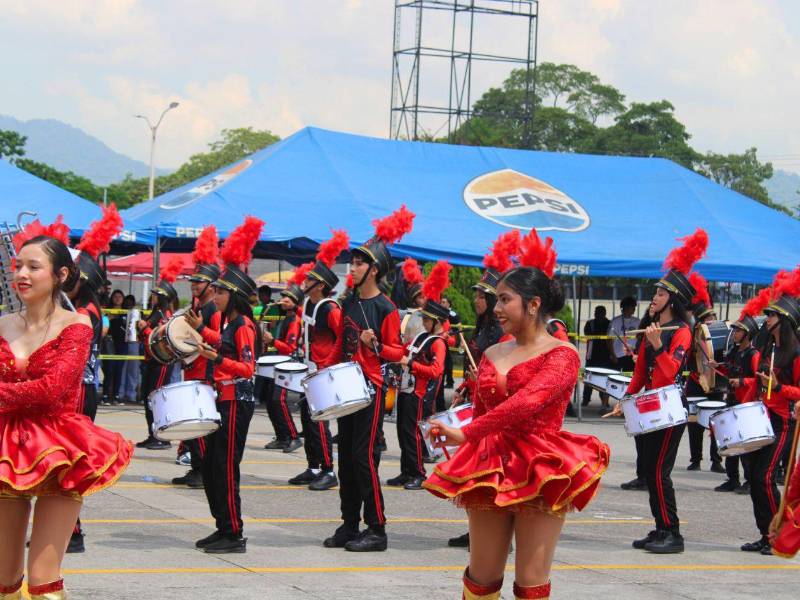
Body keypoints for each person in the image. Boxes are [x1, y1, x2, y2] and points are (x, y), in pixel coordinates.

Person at [423, 229, 609, 600]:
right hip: (490, 464)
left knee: (530, 582)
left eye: (505, 300)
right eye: (496, 299)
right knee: (481, 577)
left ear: (533, 304)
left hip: (541, 466)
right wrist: (458, 432)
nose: (496, 308)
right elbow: (483, 409)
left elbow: (527, 402)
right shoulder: (493, 352)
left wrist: (468, 432)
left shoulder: (563, 355)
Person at [0, 229, 132, 600]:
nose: (22, 274)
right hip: (7, 447)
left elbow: (51, 390)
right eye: (18, 266)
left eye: (33, 267)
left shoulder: (77, 326)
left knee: (43, 577)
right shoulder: (3, 324)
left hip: (59, 448)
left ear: (60, 274)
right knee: (3, 575)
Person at [612, 228, 709, 554]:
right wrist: (626, 399)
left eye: (660, 294)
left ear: (673, 300)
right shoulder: (653, 328)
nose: (654, 298)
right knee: (650, 472)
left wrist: (657, 345)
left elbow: (669, 374)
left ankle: (673, 533)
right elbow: (641, 372)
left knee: (658, 473)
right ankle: (660, 528)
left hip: (670, 410)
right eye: (655, 293)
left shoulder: (682, 331)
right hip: (650, 408)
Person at [322, 206, 412, 553]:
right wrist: (322, 369)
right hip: (345, 388)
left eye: (359, 263)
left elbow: (398, 353)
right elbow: (340, 345)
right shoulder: (348, 303)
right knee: (345, 458)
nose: (353, 267)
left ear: (373, 270)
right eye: (353, 262)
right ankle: (349, 524)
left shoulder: (386, 309)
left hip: (371, 389)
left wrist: (374, 344)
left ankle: (377, 528)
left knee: (363, 458)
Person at [190, 216, 264, 554]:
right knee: (212, 466)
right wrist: (201, 332)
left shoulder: (244, 324)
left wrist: (216, 358)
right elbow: (222, 343)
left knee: (226, 467)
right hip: (223, 400)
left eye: (220, 291)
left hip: (237, 401)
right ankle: (222, 526)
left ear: (233, 295)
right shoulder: (229, 323)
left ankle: (234, 533)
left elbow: (247, 368)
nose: (215, 295)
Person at [449, 230, 519, 549]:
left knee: (495, 473)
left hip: (495, 412)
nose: (475, 300)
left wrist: (483, 380)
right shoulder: (480, 330)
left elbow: (507, 374)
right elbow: (476, 368)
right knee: (476, 472)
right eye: (476, 295)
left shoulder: (503, 334)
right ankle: (477, 528)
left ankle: (499, 532)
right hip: (478, 405)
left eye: (481, 296)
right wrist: (465, 387)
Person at [64, 205, 124, 553]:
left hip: (81, 391)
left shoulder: (85, 313)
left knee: (72, 460)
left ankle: (73, 532)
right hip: (75, 389)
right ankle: (66, 529)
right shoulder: (76, 309)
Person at [740, 274, 800, 556]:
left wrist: (778, 388)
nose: (766, 319)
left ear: (783, 319)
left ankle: (778, 535)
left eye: (771, 315)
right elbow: (757, 383)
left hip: (782, 421)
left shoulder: (796, 353)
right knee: (753, 477)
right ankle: (765, 534)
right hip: (760, 418)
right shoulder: (768, 348)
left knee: (764, 477)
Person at [287, 232, 348, 491]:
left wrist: (331, 368)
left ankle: (328, 470)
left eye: (311, 279)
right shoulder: (310, 306)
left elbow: (344, 339)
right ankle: (313, 466)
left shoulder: (331, 309)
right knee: (308, 421)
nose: (305, 280)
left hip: (323, 372)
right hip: (310, 370)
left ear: (321, 285)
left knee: (320, 422)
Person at [388, 261, 450, 491]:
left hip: (419, 393)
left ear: (436, 322)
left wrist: (411, 364)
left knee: (413, 433)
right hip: (407, 389)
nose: (423, 322)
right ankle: (406, 471)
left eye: (426, 319)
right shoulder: (421, 337)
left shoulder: (438, 343)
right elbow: (402, 352)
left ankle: (418, 473)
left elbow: (436, 371)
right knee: (402, 431)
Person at [173, 225, 220, 489]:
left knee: (200, 424)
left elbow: (217, 340)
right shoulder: (198, 306)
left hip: (206, 372)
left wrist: (199, 331)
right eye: (192, 281)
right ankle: (196, 467)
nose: (193, 285)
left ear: (210, 286)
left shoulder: (214, 309)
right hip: (193, 368)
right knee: (191, 422)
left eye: (198, 282)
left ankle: (203, 471)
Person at [136, 257, 183, 451]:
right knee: (147, 399)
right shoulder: (155, 313)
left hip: (161, 363)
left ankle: (162, 438)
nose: (153, 296)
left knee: (156, 399)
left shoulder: (165, 316)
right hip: (150, 361)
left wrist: (145, 329)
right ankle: (153, 434)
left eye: (156, 294)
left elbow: (161, 338)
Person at [714, 314, 760, 493]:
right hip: (732, 401)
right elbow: (728, 370)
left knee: (745, 445)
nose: (734, 333)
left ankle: (750, 481)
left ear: (748, 334)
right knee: (731, 442)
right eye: (735, 331)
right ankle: (732, 479)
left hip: (746, 403)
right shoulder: (734, 351)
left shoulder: (753, 355)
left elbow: (759, 380)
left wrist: (741, 382)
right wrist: (717, 366)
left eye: (738, 331)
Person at [608, 297, 646, 491]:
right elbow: (609, 339)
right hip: (621, 356)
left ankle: (649, 477)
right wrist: (613, 354)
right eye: (629, 306)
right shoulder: (616, 321)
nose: (631, 309)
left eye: (633, 307)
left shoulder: (640, 323)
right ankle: (643, 476)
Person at [262, 279, 303, 453]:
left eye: (287, 298)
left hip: (287, 366)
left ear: (294, 303)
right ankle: (281, 437)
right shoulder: (282, 317)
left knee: (279, 400)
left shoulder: (294, 320)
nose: (282, 300)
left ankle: (293, 437)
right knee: (270, 401)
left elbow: (290, 348)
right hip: (277, 364)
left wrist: (272, 341)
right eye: (283, 297)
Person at [685, 291, 724, 473]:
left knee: (716, 423)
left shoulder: (722, 339)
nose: (711, 321)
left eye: (713, 317)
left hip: (715, 386)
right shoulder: (691, 339)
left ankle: (716, 461)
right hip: (695, 382)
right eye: (708, 318)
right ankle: (695, 459)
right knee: (694, 424)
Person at [582, 305, 612, 408]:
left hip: (605, 356)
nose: (597, 314)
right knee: (588, 379)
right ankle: (585, 399)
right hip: (592, 356)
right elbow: (587, 334)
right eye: (596, 312)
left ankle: (604, 401)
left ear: (604, 313)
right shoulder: (590, 323)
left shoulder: (609, 323)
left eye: (599, 312)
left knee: (604, 380)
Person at [103, 289, 126, 405]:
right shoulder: (107, 312)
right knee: (109, 369)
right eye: (115, 296)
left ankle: (116, 396)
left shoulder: (126, 312)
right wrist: (109, 318)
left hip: (122, 344)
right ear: (112, 298)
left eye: (120, 297)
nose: (117, 299)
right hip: (110, 342)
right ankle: (105, 395)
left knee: (119, 370)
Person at [118, 294, 142, 404]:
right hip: (121, 343)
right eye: (127, 301)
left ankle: (131, 394)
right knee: (122, 369)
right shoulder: (119, 312)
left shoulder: (137, 313)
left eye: (131, 301)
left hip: (134, 342)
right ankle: (120, 393)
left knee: (133, 370)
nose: (129, 304)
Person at [441, 296, 457, 389]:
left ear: (448, 304)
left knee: (448, 363)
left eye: (444, 302)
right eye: (441, 302)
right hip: (443, 339)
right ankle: (448, 381)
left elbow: (458, 326)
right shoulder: (441, 314)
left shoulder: (452, 314)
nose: (441, 304)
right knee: (446, 362)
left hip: (449, 337)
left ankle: (449, 381)